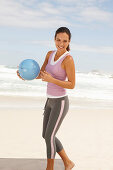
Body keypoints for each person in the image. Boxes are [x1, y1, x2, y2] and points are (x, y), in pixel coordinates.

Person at [17, 27, 75, 170]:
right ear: (54, 39)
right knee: (46, 135)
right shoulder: (49, 54)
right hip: (49, 101)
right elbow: (41, 74)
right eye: (58, 40)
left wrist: (52, 79)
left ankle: (50, 168)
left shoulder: (68, 59)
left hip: (60, 102)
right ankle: (68, 162)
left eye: (65, 41)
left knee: (49, 136)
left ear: (69, 42)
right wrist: (26, 76)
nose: (61, 43)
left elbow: (72, 84)